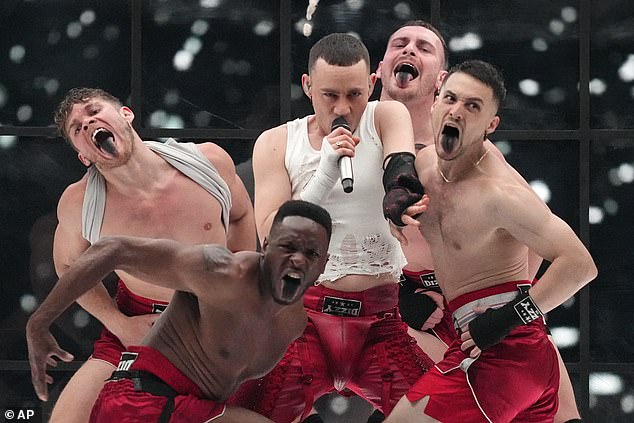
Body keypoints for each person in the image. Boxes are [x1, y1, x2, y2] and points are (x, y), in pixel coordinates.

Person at [377, 21, 585, 423]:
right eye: (452, 99)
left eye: (472, 106)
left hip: (502, 346)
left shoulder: (498, 191)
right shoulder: (423, 165)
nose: (456, 110)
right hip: (477, 337)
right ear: (437, 100)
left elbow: (579, 264)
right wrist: (396, 208)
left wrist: (509, 317)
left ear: (490, 125)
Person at [228, 33, 434, 423]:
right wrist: (324, 170)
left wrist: (400, 197)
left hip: (381, 320)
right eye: (330, 95)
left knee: (443, 413)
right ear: (308, 86)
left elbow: (401, 169)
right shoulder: (275, 142)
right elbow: (274, 234)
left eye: (355, 94)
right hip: (301, 319)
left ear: (373, 85)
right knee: (240, 412)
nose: (344, 107)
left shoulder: (386, 116)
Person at [44, 87, 256, 422]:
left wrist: (241, 296)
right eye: (76, 128)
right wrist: (119, 323)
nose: (87, 123)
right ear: (84, 156)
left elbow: (242, 216)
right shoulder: (79, 202)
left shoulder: (209, 162)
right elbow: (68, 264)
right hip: (141, 324)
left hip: (214, 320)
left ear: (125, 114)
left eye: (93, 111)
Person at [26, 200, 332, 422]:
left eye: (311, 253)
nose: (298, 260)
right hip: (139, 403)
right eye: (288, 247)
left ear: (324, 265)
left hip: (191, 410)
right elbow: (112, 250)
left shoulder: (294, 322)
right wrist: (39, 323)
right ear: (266, 245)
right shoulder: (220, 272)